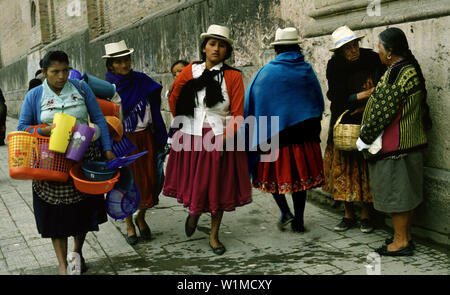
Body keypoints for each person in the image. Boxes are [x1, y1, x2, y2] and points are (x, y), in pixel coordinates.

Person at [17, 50, 115, 274]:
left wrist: (107, 149)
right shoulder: (35, 95)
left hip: (83, 155)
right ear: (44, 72)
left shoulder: (80, 88)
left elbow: (98, 118)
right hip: (50, 161)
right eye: (55, 72)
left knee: (82, 211)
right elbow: (22, 128)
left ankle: (77, 253)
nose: (62, 76)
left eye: (65, 70)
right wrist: (45, 129)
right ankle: (63, 265)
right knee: (55, 216)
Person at [163, 24, 252, 255]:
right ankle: (194, 213)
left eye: (221, 45)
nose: (216, 49)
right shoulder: (190, 71)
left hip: (219, 137)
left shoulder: (232, 76)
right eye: (212, 44)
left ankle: (214, 235)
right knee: (196, 183)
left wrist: (225, 140)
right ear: (204, 48)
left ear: (227, 51)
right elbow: (174, 96)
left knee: (217, 187)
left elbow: (237, 113)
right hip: (191, 136)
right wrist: (182, 122)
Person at [357, 27, 432, 256]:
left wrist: (364, 138)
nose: (377, 51)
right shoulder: (408, 69)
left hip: (395, 146)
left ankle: (400, 242)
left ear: (389, 52)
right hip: (411, 143)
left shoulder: (395, 74)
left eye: (379, 47)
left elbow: (382, 112)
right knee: (407, 194)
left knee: (397, 195)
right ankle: (405, 236)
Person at [244, 27, 325, 232]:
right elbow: (317, 101)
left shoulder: (267, 73)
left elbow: (254, 100)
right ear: (297, 47)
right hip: (303, 136)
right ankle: (299, 220)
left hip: (275, 137)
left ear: (277, 50)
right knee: (300, 182)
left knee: (272, 178)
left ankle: (285, 212)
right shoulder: (306, 69)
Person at [104, 40, 168, 245]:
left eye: (127, 59)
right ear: (111, 65)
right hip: (124, 142)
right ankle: (129, 223)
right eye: (119, 61)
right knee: (127, 183)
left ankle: (141, 217)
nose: (125, 64)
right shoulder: (107, 89)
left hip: (146, 137)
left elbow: (154, 104)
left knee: (150, 180)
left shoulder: (141, 80)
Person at [322, 25, 386, 233]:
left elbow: (383, 82)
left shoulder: (372, 59)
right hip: (344, 122)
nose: (353, 50)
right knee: (342, 169)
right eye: (348, 48)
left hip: (367, 120)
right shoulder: (334, 66)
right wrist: (363, 95)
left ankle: (366, 215)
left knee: (363, 169)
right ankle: (348, 214)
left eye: (355, 45)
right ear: (340, 51)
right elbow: (335, 97)